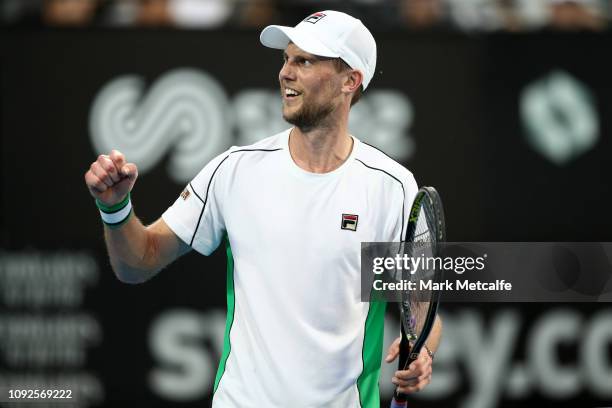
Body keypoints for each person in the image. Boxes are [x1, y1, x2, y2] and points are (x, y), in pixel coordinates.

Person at [84, 10, 441, 407]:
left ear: (350, 81)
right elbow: (139, 262)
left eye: (304, 61)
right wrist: (115, 208)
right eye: (286, 59)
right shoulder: (235, 169)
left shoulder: (391, 187)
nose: (285, 73)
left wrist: (423, 352)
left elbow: (422, 309)